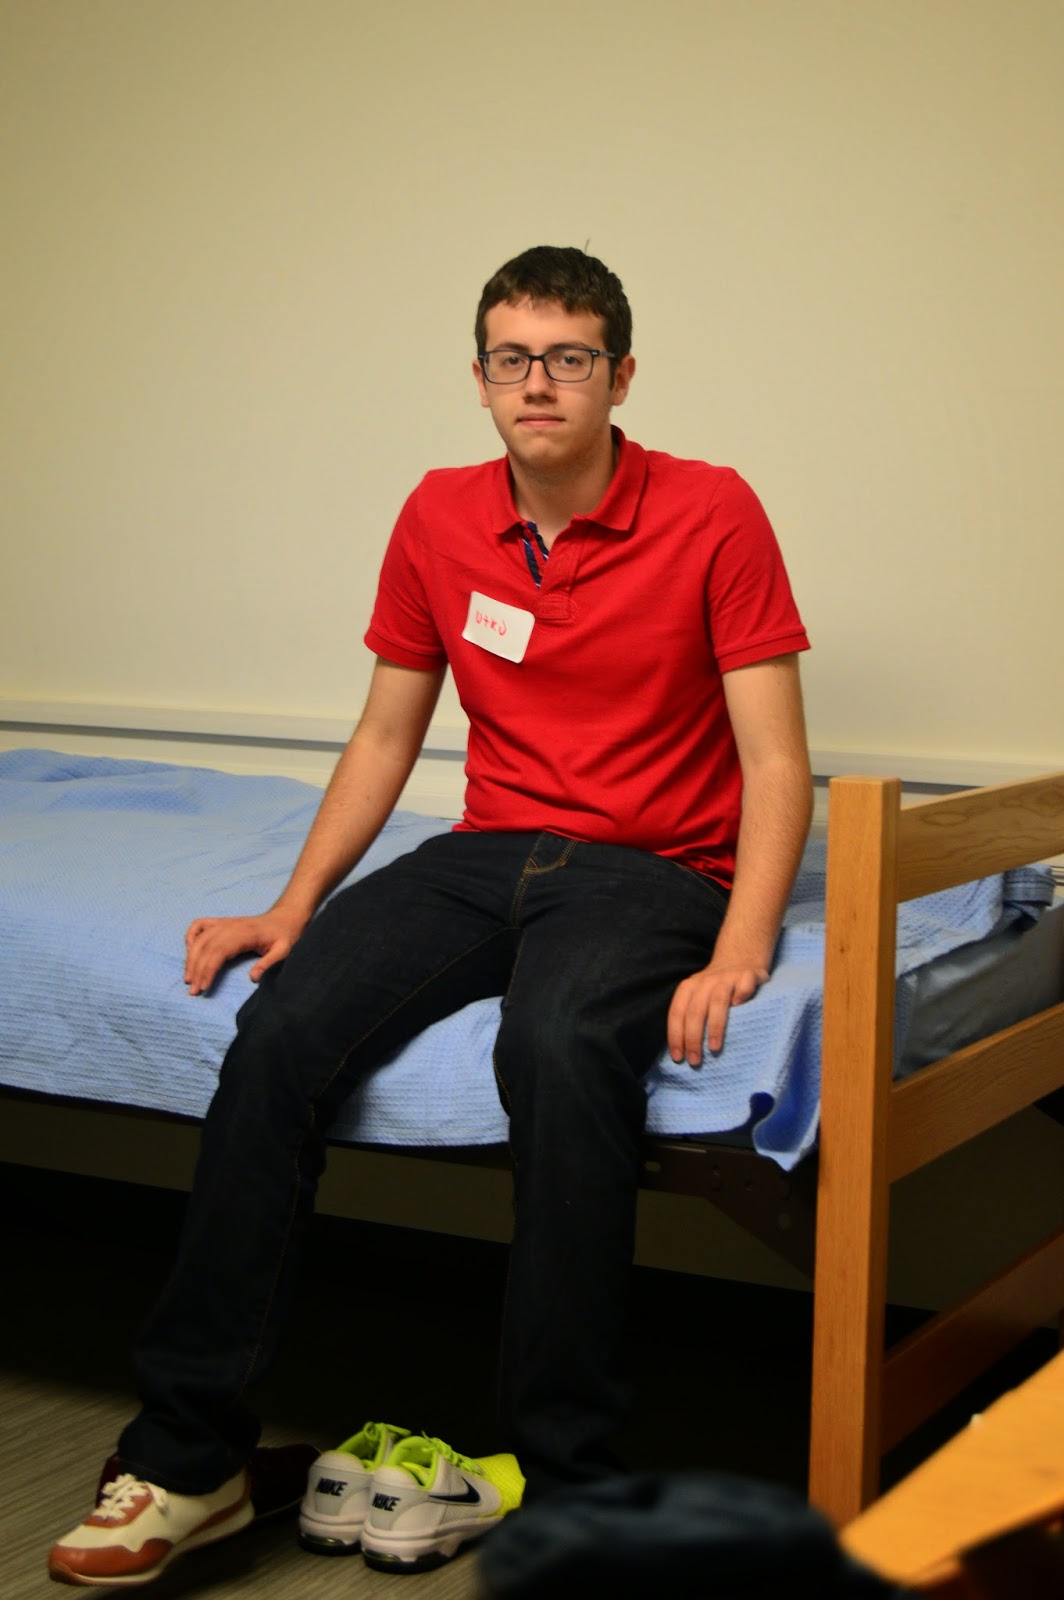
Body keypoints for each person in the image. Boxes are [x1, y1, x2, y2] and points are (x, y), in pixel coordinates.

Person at [48, 246, 812, 1587]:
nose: (539, 383)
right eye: (514, 359)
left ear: (620, 375)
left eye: (569, 357)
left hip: (651, 867)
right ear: (480, 377)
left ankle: (569, 1482)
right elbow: (387, 732)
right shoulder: (439, 513)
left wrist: (742, 944)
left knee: (557, 1044)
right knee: (281, 1033)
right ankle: (189, 1462)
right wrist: (293, 905)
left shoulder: (712, 509)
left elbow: (776, 759)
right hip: (483, 853)